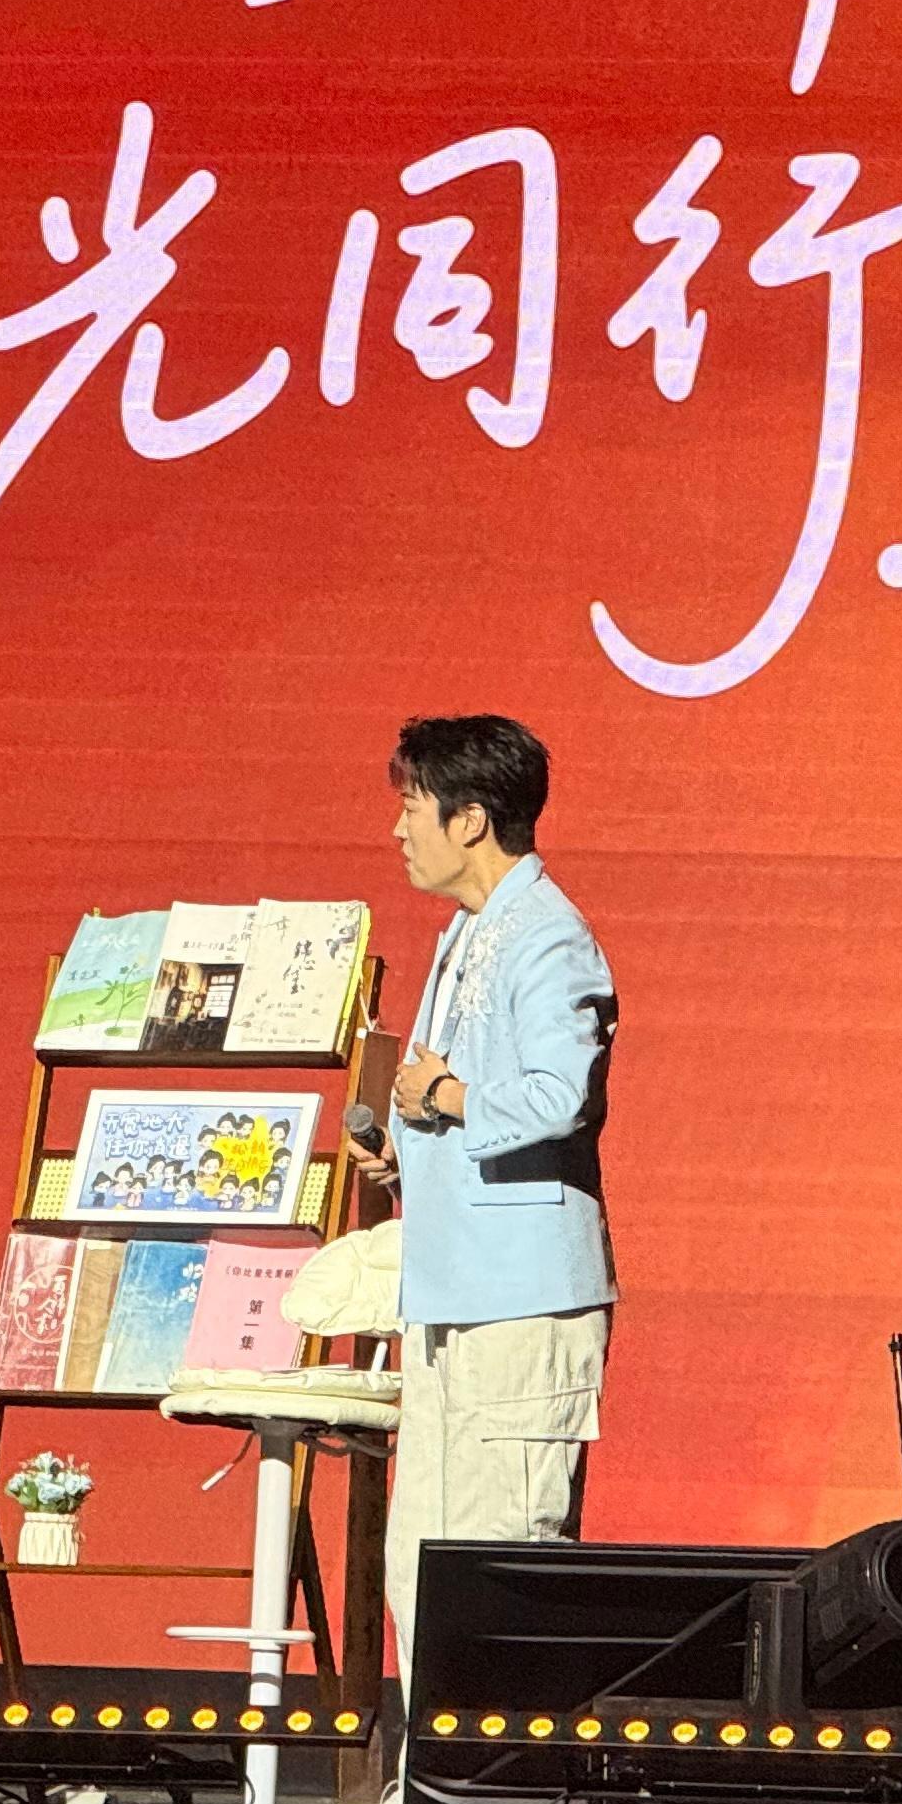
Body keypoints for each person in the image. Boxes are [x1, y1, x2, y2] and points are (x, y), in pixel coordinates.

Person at [346, 714, 615, 1694]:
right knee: (422, 1562)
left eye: (413, 806)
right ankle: (430, 1772)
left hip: (523, 1302)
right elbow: (442, 1096)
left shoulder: (548, 938)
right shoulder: (468, 933)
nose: (399, 828)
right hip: (453, 1294)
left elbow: (558, 1094)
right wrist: (405, 1150)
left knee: (504, 1555)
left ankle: (505, 1781)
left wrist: (446, 1098)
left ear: (470, 820)